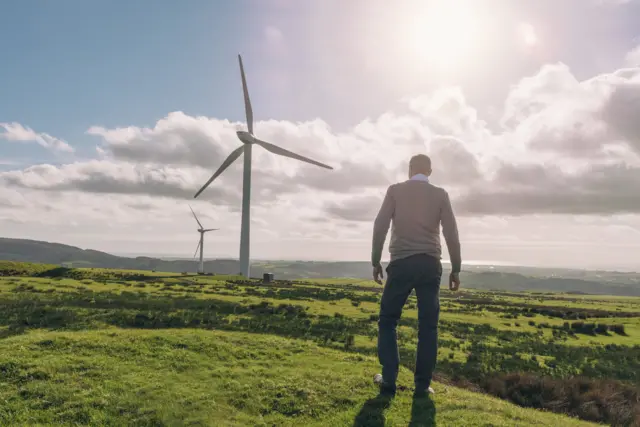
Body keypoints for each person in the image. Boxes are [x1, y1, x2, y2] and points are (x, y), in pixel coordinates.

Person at [370, 153, 461, 398]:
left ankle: (388, 379)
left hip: (401, 263)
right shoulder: (441, 195)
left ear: (410, 170)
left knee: (388, 320)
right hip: (430, 264)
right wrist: (457, 268)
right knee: (428, 327)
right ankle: (422, 386)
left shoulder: (395, 191)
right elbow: (451, 232)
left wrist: (375, 260)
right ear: (429, 171)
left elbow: (380, 226)